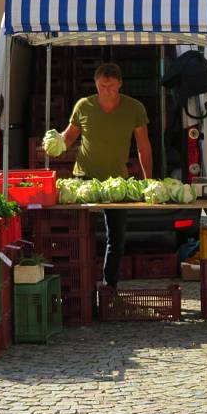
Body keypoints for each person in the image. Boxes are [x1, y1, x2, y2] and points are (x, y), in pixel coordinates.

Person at [61, 63, 152, 289]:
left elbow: (144, 146)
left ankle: (109, 285)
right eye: (102, 86)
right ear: (96, 83)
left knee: (116, 238)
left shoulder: (135, 108)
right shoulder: (84, 106)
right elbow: (68, 138)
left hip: (116, 183)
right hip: (83, 180)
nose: (107, 90)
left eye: (111, 86)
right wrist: (52, 142)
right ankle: (79, 285)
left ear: (120, 83)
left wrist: (148, 180)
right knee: (79, 237)